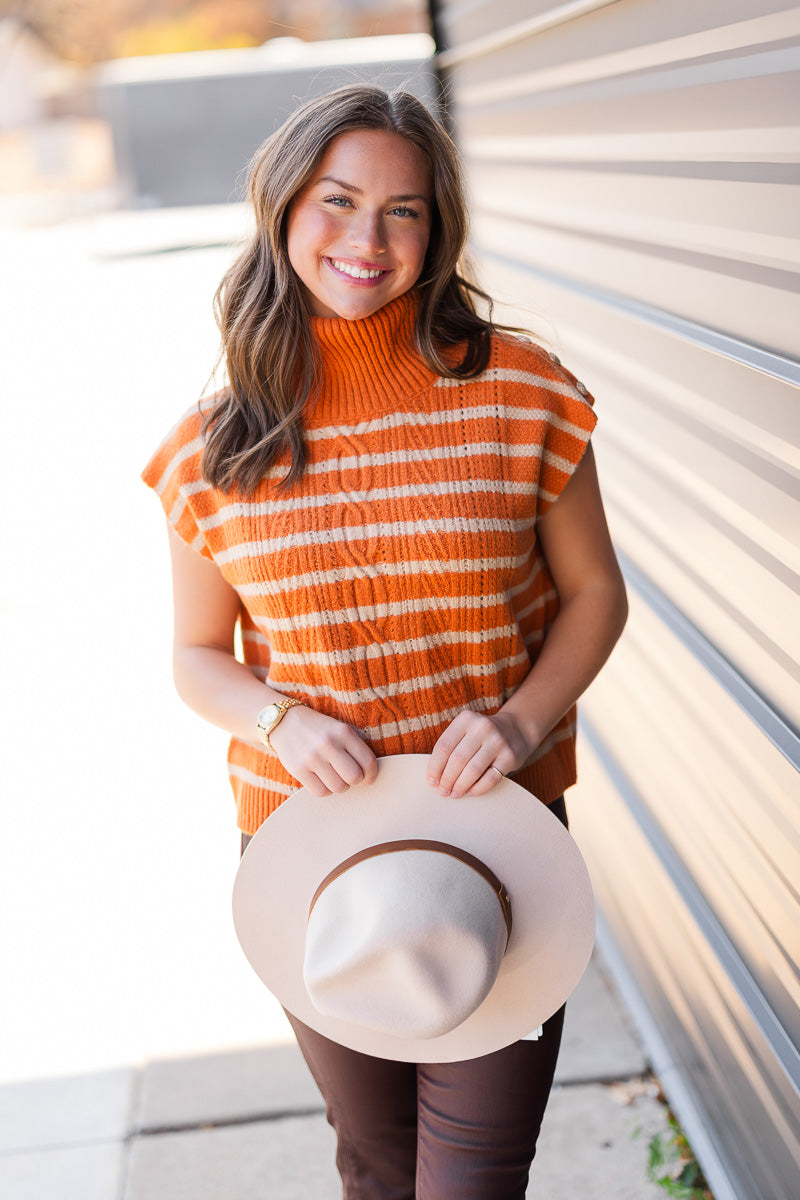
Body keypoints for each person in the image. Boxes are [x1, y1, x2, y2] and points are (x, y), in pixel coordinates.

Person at [142, 83, 628, 1200]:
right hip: (311, 851)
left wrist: (517, 720)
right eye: (338, 200)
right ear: (282, 207)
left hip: (493, 837)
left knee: (472, 1176)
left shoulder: (520, 391)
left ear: (437, 230)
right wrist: (281, 719)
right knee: (373, 1164)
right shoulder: (212, 446)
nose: (367, 240)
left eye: (403, 212)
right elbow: (197, 657)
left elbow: (594, 594)